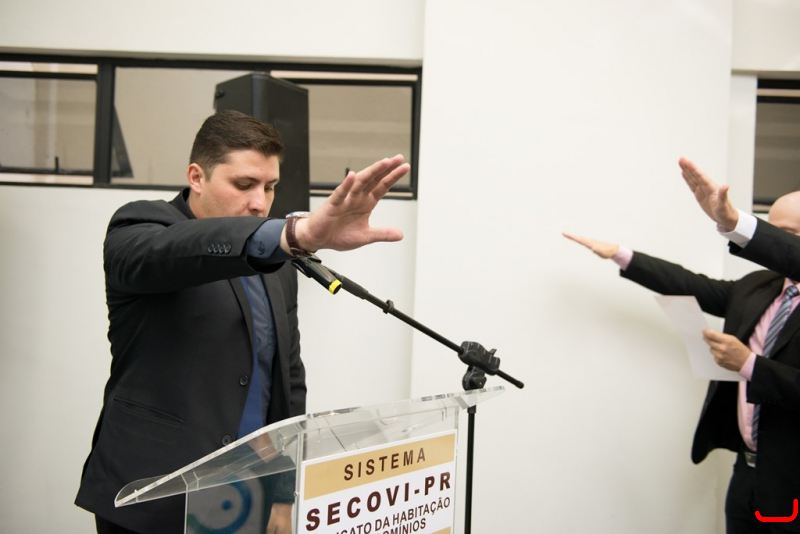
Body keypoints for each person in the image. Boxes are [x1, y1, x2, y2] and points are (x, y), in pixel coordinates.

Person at [75, 110, 410, 534]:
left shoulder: (279, 265)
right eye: (244, 184)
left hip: (242, 502)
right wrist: (293, 235)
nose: (259, 202)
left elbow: (287, 381)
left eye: (269, 187)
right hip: (150, 499)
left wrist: (282, 494)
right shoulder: (141, 226)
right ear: (196, 177)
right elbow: (172, 253)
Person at [564, 190, 800, 534]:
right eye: (771, 229)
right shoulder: (759, 286)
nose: (772, 242)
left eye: (786, 234)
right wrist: (622, 255)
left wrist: (748, 363)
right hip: (747, 472)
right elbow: (693, 286)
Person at [680, 157, 800, 281]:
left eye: (786, 234)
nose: (771, 241)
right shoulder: (760, 283)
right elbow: (691, 284)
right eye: (772, 232)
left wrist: (734, 221)